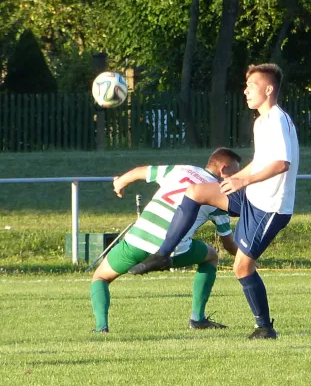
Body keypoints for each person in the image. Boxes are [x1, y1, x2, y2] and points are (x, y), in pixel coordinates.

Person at [129, 63, 300, 340]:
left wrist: (243, 181)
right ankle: (163, 255)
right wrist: (237, 179)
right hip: (252, 196)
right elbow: (261, 161)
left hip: (270, 207)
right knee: (196, 192)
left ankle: (265, 328)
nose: (245, 91)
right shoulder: (262, 121)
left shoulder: (277, 119)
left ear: (269, 90)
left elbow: (282, 164)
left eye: (251, 86)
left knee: (242, 267)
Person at [90, 147, 241, 333]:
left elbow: (140, 171)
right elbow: (228, 242)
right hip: (174, 251)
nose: (237, 177)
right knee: (211, 256)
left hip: (138, 240)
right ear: (224, 169)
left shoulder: (181, 170)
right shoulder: (218, 193)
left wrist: (119, 183)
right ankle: (197, 319)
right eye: (236, 172)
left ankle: (101, 328)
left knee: (101, 277)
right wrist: (246, 257)